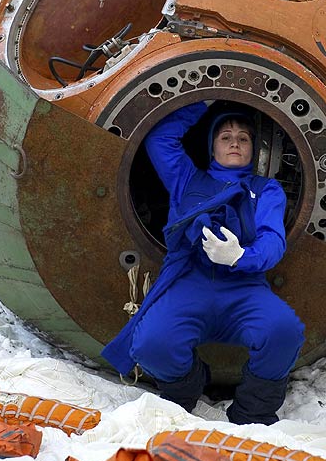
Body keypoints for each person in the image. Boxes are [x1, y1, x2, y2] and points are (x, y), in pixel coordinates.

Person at [101, 101, 305, 424]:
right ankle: (187, 389)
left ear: (254, 149)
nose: (235, 142)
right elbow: (159, 140)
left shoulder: (266, 190)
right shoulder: (187, 179)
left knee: (284, 330)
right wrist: (207, 99)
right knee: (151, 343)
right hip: (190, 281)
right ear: (212, 147)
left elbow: (273, 240)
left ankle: (252, 412)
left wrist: (241, 256)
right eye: (225, 137)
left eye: (243, 138)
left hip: (244, 288)